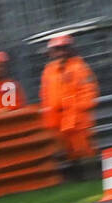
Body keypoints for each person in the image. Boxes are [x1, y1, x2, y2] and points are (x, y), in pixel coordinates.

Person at [40, 34, 99, 176]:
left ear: (70, 49)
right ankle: (76, 179)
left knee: (84, 150)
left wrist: (79, 108)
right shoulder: (49, 70)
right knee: (65, 152)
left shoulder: (80, 67)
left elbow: (89, 90)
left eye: (64, 48)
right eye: (57, 49)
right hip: (57, 120)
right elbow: (45, 94)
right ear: (52, 52)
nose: (61, 52)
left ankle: (92, 177)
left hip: (77, 118)